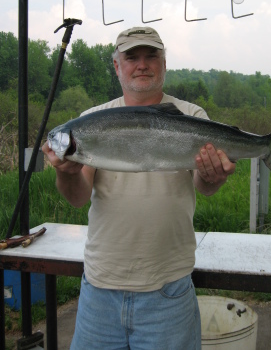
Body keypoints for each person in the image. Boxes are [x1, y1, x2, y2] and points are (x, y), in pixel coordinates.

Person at [42, 26, 236, 350]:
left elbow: (204, 187)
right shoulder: (92, 120)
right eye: (132, 57)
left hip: (168, 290)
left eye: (151, 56)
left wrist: (213, 176)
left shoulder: (192, 116)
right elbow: (77, 197)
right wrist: (66, 173)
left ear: (164, 63)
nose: (142, 64)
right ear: (117, 66)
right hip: (99, 290)